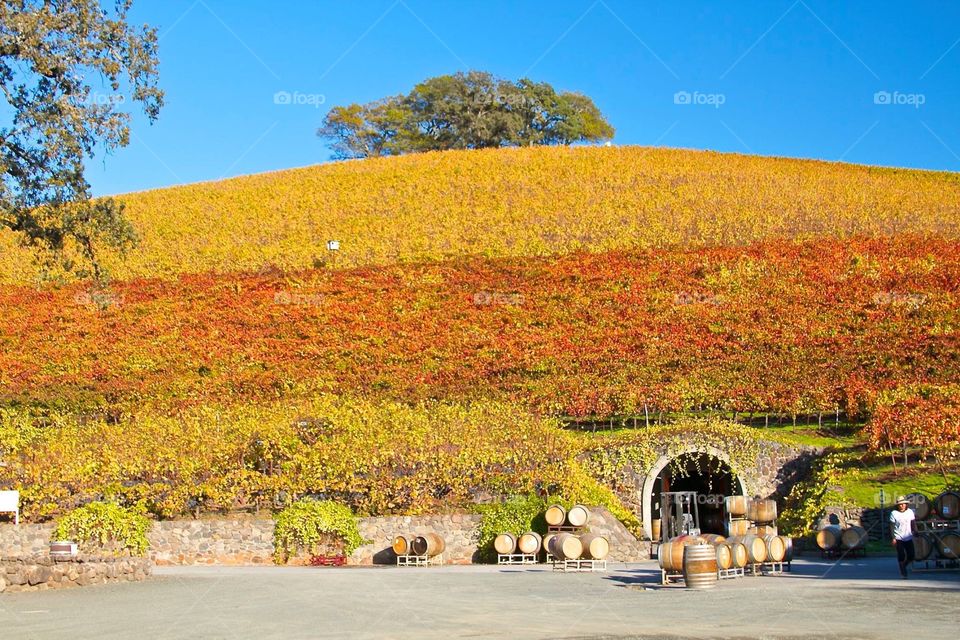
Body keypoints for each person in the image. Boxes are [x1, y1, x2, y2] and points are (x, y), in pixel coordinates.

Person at [890, 495, 916, 578]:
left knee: (911, 555)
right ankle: (903, 572)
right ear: (897, 505)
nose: (902, 505)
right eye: (900, 504)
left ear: (906, 504)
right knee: (901, 554)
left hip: (908, 536)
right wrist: (893, 537)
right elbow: (892, 526)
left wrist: (915, 531)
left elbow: (912, 523)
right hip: (899, 537)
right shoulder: (894, 513)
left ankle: (904, 565)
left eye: (904, 504)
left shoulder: (910, 512)